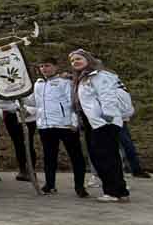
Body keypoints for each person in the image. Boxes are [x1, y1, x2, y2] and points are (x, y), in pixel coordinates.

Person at [69, 49, 129, 203]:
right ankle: (120, 190)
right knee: (106, 157)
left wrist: (107, 117)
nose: (75, 62)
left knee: (105, 157)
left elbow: (107, 96)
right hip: (93, 123)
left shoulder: (99, 76)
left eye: (78, 59)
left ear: (88, 59)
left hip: (104, 122)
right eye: (73, 60)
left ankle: (112, 191)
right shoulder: (82, 78)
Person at [31, 57, 87, 197]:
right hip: (46, 126)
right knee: (49, 157)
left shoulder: (65, 82)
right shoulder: (38, 84)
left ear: (55, 67)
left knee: (76, 157)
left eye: (47, 65)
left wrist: (74, 122)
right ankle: (50, 185)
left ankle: (80, 187)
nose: (44, 68)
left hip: (65, 125)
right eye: (42, 66)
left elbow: (72, 103)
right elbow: (36, 104)